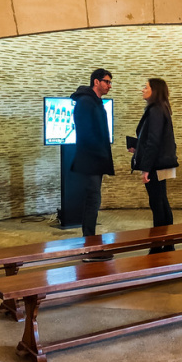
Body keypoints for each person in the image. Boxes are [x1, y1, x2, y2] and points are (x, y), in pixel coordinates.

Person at [130, 78, 178, 253]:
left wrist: (146, 168)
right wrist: (138, 148)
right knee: (161, 202)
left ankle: (158, 247)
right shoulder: (161, 108)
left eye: (146, 87)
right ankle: (167, 243)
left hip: (156, 164)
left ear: (155, 91)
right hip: (162, 162)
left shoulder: (156, 110)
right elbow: (153, 139)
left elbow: (154, 141)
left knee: (157, 204)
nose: (142, 90)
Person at [70, 68, 115, 249]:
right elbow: (85, 132)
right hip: (90, 160)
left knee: (94, 200)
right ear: (96, 82)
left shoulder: (96, 102)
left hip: (97, 159)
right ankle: (89, 245)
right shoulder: (85, 102)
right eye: (107, 81)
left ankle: (90, 242)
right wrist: (99, 153)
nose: (109, 86)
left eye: (110, 82)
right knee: (92, 200)